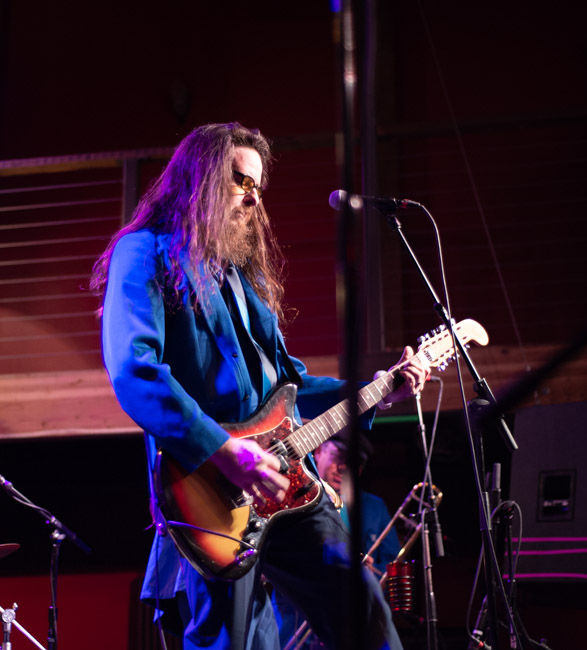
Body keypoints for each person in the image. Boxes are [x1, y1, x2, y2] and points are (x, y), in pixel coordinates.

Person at [92, 122, 429, 649]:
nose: (253, 197)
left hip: (287, 483)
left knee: (361, 606)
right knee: (238, 639)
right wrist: (226, 452)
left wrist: (380, 388)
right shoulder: (145, 252)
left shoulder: (241, 282)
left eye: (258, 186)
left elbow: (291, 387)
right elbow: (135, 371)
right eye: (239, 181)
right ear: (197, 180)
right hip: (212, 492)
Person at [272, 433, 403, 649]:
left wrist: (375, 572)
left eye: (353, 462)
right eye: (338, 456)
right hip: (294, 622)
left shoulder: (374, 507)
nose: (344, 467)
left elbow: (391, 561)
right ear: (317, 452)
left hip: (352, 620)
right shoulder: (290, 497)